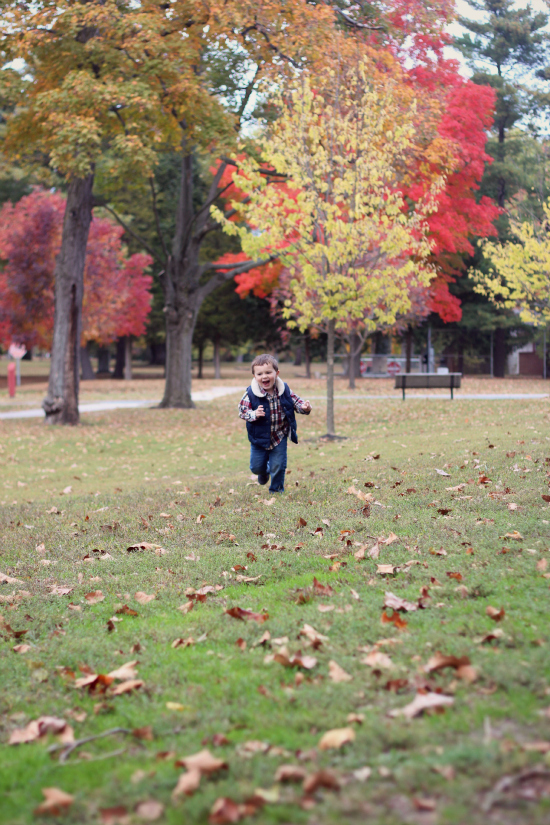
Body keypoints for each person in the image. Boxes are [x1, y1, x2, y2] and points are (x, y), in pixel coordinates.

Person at [238, 354, 312, 493]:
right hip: (259, 438)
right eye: (260, 374)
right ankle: (264, 472)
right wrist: (254, 414)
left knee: (278, 465)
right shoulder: (250, 394)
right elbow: (242, 411)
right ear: (254, 376)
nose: (264, 376)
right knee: (255, 467)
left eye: (268, 372)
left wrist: (304, 407)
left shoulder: (284, 390)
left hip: (279, 435)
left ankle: (276, 490)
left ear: (276, 373)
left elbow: (296, 402)